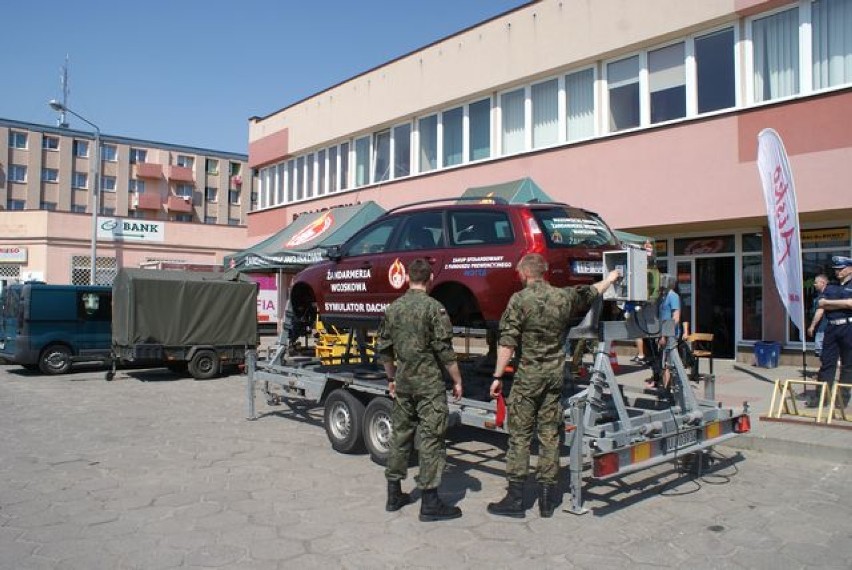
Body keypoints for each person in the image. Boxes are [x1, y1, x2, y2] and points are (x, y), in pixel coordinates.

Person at [487, 253, 621, 518]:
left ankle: (516, 500)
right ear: (544, 273)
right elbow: (593, 291)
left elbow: (507, 342)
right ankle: (547, 501)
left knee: (520, 436)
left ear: (524, 274)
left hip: (529, 377)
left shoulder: (519, 300)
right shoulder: (563, 297)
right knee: (550, 435)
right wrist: (612, 278)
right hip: (554, 376)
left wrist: (497, 376)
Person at [377, 258, 464, 522]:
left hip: (403, 384)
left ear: (407, 278)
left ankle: (394, 495)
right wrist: (457, 380)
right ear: (430, 279)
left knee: (400, 437)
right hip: (428, 386)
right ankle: (430, 503)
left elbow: (384, 349)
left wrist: (391, 377)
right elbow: (444, 350)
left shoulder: (393, 309)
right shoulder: (434, 309)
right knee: (431, 440)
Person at [809, 256, 852, 408]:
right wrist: (842, 304)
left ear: (850, 269)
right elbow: (821, 304)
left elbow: (851, 304)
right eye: (836, 269)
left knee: (848, 365)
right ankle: (821, 397)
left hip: (848, 328)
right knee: (827, 364)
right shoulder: (831, 286)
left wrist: (830, 303)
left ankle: (842, 400)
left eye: (841, 269)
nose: (837, 272)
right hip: (831, 328)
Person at [647, 273, 681, 391]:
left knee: (668, 362)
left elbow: (676, 317)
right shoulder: (661, 297)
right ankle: (666, 387)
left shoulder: (673, 296)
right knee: (663, 361)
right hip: (662, 333)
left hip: (670, 334)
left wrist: (665, 335)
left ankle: (669, 388)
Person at [807, 274, 829, 357]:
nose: (814, 284)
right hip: (823, 327)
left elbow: (820, 311)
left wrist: (812, 326)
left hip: (824, 328)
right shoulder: (820, 295)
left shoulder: (825, 295)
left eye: (816, 283)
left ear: (823, 283)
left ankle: (827, 368)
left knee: (820, 350)